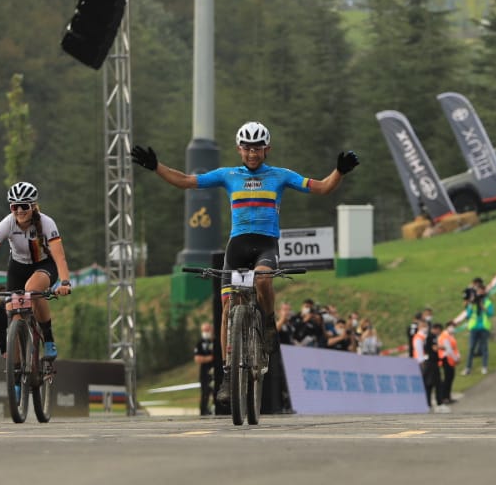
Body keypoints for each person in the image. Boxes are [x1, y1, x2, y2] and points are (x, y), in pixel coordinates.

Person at [131, 121, 358, 367]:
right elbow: (185, 180)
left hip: (266, 245)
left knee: (262, 278)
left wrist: (340, 172)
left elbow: (322, 188)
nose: (252, 153)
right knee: (227, 307)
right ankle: (229, 373)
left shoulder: (280, 175)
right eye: (247, 148)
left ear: (267, 149)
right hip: (237, 246)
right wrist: (156, 167)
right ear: (239, 149)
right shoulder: (227, 175)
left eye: (257, 148)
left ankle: (269, 323)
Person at [0, 181, 73, 359]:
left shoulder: (47, 223)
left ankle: (48, 338)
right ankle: (17, 379)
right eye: (14, 206)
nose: (19, 211)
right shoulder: (7, 224)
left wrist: (64, 282)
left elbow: (59, 257)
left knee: (32, 290)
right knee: (13, 315)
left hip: (44, 265)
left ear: (33, 206)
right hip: (17, 268)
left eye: (23, 206)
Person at [463, 277, 495, 375]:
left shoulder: (488, 302)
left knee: (484, 347)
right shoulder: (472, 303)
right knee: (471, 347)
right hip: (474, 327)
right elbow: (468, 314)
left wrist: (483, 308)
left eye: (482, 291)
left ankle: (484, 367)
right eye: (478, 291)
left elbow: (491, 313)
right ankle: (468, 368)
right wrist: (469, 305)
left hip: (484, 327)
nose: (480, 293)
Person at [193, 321, 217, 416]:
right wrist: (210, 358)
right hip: (204, 373)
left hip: (216, 371)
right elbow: (198, 359)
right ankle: (203, 411)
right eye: (204, 330)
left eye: (208, 330)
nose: (206, 332)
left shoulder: (216, 342)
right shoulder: (200, 343)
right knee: (205, 393)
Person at [436, 322, 460, 405]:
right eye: (451, 326)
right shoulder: (444, 336)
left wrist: (457, 357)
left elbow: (455, 348)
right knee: (447, 379)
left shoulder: (451, 336)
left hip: (451, 359)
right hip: (446, 359)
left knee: (450, 378)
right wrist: (455, 358)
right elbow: (449, 350)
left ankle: (448, 396)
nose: (453, 328)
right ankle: (444, 397)